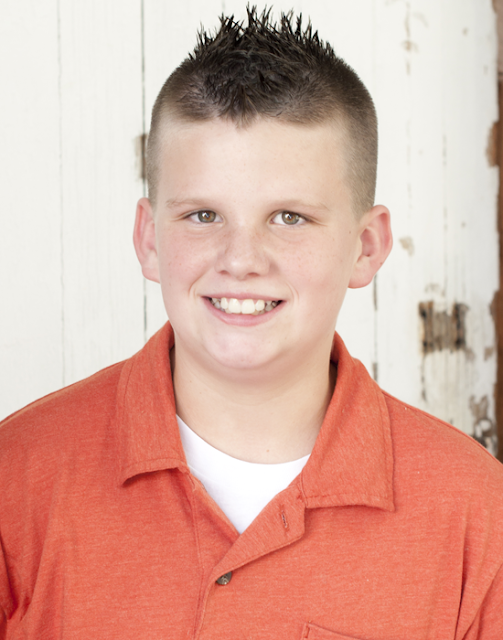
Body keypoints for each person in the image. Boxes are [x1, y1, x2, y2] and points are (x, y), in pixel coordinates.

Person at [1, 8, 502, 639]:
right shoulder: (16, 479)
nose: (241, 260)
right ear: (149, 239)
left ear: (367, 246)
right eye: (204, 216)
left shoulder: (477, 514)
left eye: (290, 218)